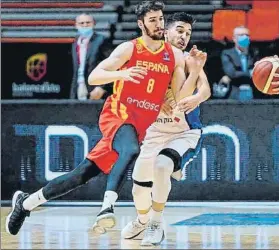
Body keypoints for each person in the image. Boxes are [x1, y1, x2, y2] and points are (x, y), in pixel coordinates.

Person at [5, 0, 191, 236]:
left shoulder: (172, 56)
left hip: (140, 125)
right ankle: (107, 208)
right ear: (141, 24)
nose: (159, 24)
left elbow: (176, 94)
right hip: (118, 114)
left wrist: (187, 79)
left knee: (82, 174)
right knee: (132, 150)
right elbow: (94, 77)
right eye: (153, 19)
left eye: (161, 19)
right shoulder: (129, 48)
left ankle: (26, 203)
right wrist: (123, 73)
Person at [121, 12, 210, 246]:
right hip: (154, 132)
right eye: (179, 30)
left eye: (188, 33)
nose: (184, 36)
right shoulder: (148, 59)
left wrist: (197, 97)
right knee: (139, 188)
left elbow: (206, 89)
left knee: (162, 165)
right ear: (165, 31)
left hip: (184, 132)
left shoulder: (188, 58)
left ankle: (156, 224)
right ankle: (142, 220)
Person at [70, 13, 113, 100]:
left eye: (88, 22)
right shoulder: (75, 42)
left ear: (94, 24)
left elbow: (112, 64)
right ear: (76, 25)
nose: (85, 25)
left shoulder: (102, 40)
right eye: (81, 23)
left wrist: (102, 87)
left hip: (95, 88)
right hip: (78, 85)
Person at [218, 26, 261, 99]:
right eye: (241, 35)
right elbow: (231, 73)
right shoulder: (227, 53)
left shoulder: (254, 54)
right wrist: (251, 73)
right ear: (234, 38)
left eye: (247, 35)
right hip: (234, 94)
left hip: (253, 95)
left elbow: (260, 74)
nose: (244, 37)